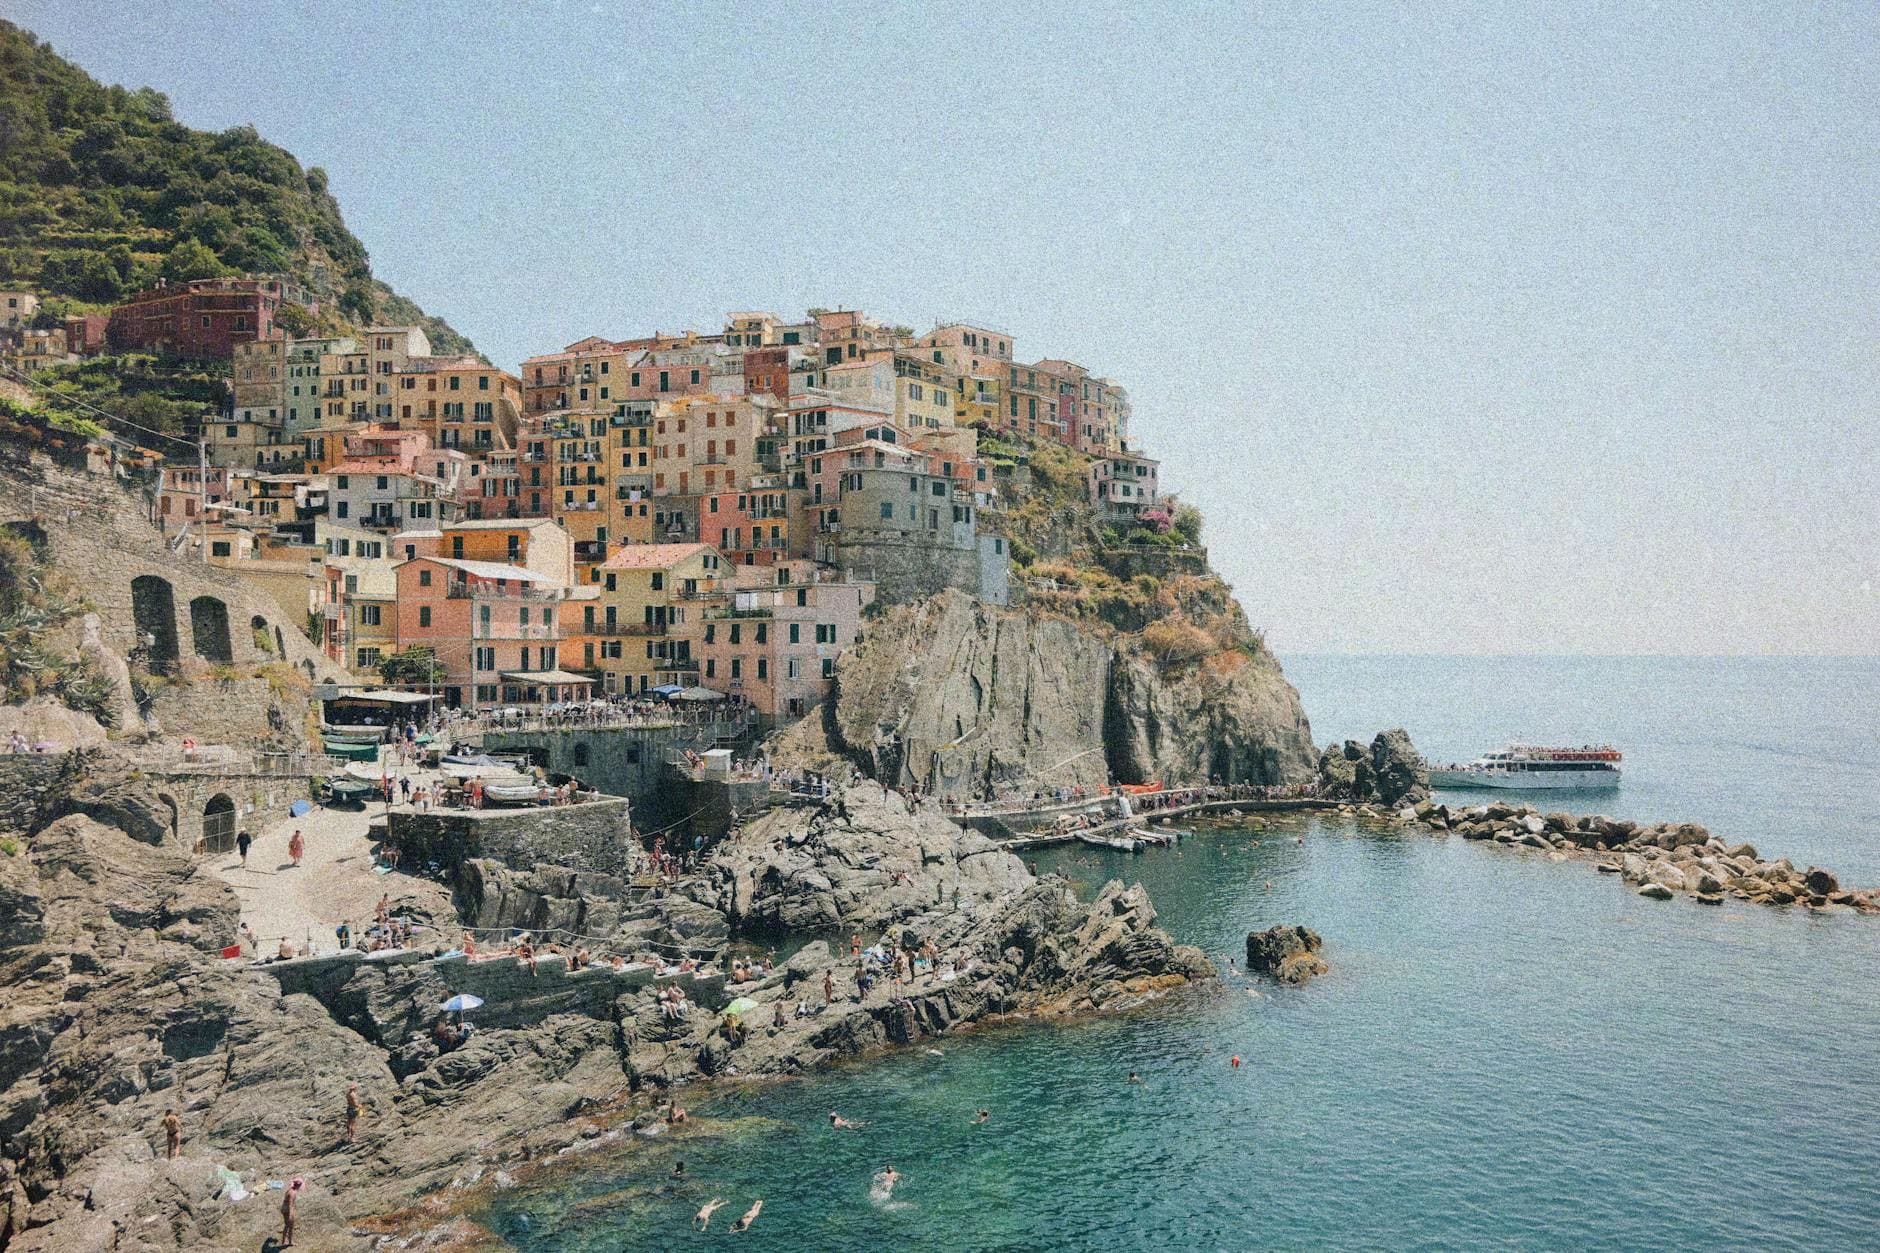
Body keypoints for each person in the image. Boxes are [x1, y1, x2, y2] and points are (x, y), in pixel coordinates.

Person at [280, 1176, 303, 1247]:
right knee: (291, 1226)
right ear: (298, 1186)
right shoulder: (293, 1193)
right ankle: (290, 1242)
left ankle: (283, 1240)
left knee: (286, 1225)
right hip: (288, 1210)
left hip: (283, 1208)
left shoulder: (290, 1189)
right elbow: (290, 1204)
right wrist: (291, 1214)